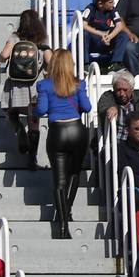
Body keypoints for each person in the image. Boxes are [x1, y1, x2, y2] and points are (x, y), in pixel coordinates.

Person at [32, 49, 91, 239]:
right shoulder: (78, 84)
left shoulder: (44, 85)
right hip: (77, 131)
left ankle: (63, 225)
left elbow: (41, 110)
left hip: (57, 131)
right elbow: (87, 107)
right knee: (75, 174)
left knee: (59, 180)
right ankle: (67, 211)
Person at [0, 9, 48, 167]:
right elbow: (51, 62)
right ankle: (32, 158)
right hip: (34, 86)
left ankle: (19, 130)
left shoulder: (15, 37)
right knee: (34, 121)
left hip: (15, 85)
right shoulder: (41, 40)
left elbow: (4, 55)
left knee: (10, 111)